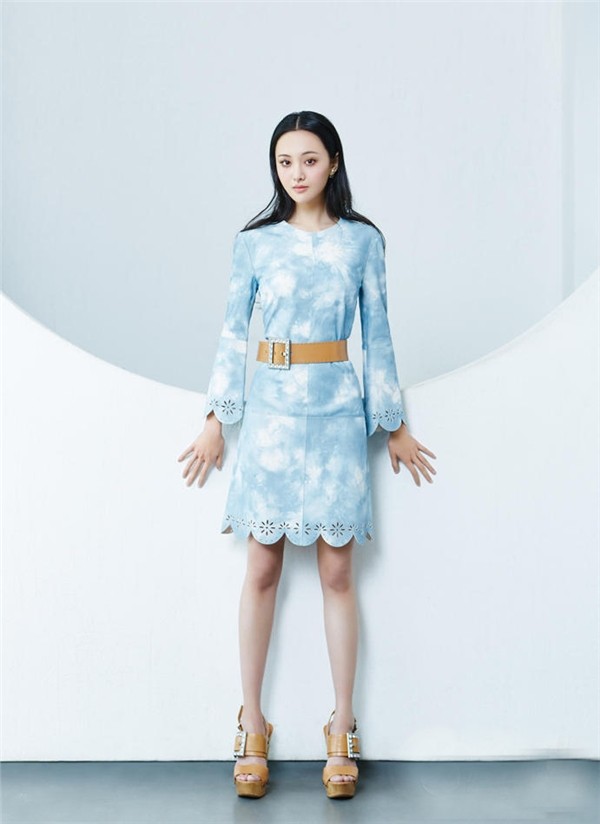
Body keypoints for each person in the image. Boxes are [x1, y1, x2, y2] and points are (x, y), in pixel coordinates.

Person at [177, 111, 437, 800]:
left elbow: (378, 334)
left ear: (334, 162)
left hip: (335, 413)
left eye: (310, 159)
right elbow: (232, 334)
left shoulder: (363, 242)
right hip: (270, 415)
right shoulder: (255, 244)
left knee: (338, 573)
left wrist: (393, 423)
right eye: (285, 161)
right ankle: (252, 724)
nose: (297, 172)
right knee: (261, 568)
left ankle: (342, 726)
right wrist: (216, 419)